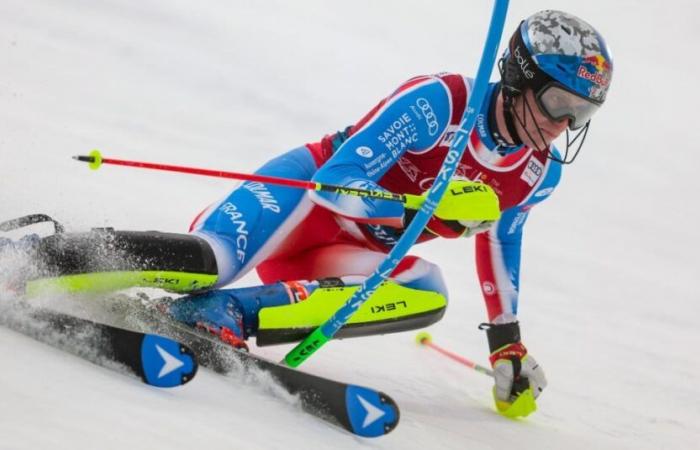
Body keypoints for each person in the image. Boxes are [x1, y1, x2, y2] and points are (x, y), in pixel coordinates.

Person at [5, 10, 612, 418]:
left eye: (579, 114)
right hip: (299, 201)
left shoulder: (539, 172)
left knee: (427, 290)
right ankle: (28, 260)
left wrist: (507, 342)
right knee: (210, 260)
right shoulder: (441, 102)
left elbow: (504, 241)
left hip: (344, 251)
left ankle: (222, 317)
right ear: (519, 79)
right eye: (559, 103)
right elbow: (336, 180)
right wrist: (424, 209)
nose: (562, 126)